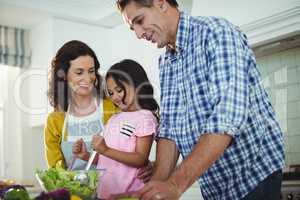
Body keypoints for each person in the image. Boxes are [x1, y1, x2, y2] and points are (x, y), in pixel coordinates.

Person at [116, 0, 285, 200]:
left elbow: (227, 117)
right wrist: (156, 186)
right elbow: (171, 129)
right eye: (132, 27)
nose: (138, 33)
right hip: (215, 190)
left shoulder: (216, 33)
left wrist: (174, 184)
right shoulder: (166, 62)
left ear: (161, 3)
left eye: (140, 20)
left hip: (253, 179)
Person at [72, 59, 159, 199]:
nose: (115, 97)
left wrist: (105, 150)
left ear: (137, 85)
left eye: (119, 90)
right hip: (104, 194)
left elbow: (140, 159)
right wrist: (86, 156)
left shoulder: (145, 118)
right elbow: (106, 160)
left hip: (129, 194)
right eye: (111, 93)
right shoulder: (113, 119)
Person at [45, 40, 118, 170]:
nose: (88, 78)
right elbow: (56, 171)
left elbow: (129, 155)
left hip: (115, 189)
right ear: (64, 76)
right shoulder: (55, 121)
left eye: (91, 71)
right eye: (79, 73)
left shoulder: (113, 109)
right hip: (73, 190)